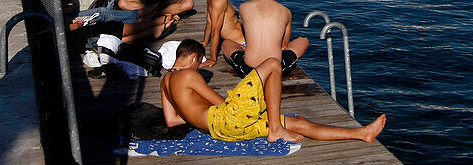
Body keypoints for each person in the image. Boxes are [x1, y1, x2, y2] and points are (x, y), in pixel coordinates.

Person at [161, 38, 386, 144]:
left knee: (296, 121)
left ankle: (361, 133)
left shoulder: (165, 81)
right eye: (199, 62)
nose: (199, 65)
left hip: (222, 130)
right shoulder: (189, 74)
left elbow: (171, 120)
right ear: (194, 58)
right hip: (226, 119)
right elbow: (220, 103)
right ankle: (275, 129)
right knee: (272, 64)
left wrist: (196, 116)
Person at [231, 0, 309, 77]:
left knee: (227, 43)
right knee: (303, 40)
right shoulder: (286, 11)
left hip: (248, 69)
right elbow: (284, 45)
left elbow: (248, 36)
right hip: (275, 70)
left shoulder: (244, 7)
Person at [202, 0, 244, 69]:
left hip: (244, 37)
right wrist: (213, 58)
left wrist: (205, 42)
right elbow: (216, 29)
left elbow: (209, 21)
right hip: (242, 42)